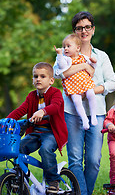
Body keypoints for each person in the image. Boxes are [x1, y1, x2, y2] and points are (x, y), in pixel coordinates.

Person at [53, 11, 115, 195]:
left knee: (94, 160)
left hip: (97, 112)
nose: (84, 31)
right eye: (79, 28)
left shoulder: (102, 56)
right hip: (71, 112)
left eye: (87, 27)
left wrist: (90, 90)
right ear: (75, 31)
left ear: (93, 30)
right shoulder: (67, 50)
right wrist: (82, 66)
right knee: (74, 159)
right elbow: (57, 73)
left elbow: (112, 83)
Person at [7, 62, 68, 194]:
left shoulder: (56, 93)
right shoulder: (31, 96)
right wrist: (7, 121)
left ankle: (53, 182)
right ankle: (20, 179)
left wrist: (43, 111)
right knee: (19, 147)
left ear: (51, 80)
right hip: (35, 132)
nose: (38, 79)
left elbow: (56, 106)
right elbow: (20, 110)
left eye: (42, 76)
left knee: (45, 150)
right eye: (35, 76)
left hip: (52, 132)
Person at [54, 33, 97, 130]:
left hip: (85, 82)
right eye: (64, 46)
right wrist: (59, 55)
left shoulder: (84, 58)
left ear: (77, 48)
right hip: (72, 85)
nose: (66, 49)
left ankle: (93, 115)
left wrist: (94, 62)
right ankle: (84, 119)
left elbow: (92, 68)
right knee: (76, 101)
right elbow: (61, 67)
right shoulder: (65, 59)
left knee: (91, 94)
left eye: (68, 46)